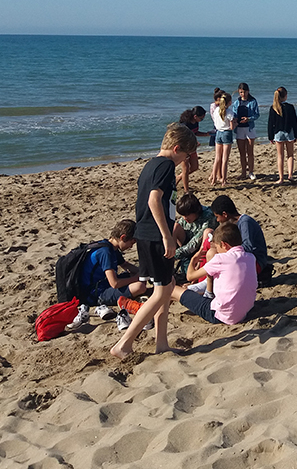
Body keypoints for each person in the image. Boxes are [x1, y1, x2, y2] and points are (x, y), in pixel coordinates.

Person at [110, 123, 198, 360]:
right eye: (185, 155)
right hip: (155, 236)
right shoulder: (165, 165)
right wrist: (167, 236)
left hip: (146, 234)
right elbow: (153, 200)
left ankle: (161, 343)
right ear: (176, 148)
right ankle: (124, 344)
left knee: (167, 287)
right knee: (160, 293)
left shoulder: (151, 164)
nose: (185, 160)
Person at [171, 221, 258, 325]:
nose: (217, 251)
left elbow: (190, 276)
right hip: (244, 312)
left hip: (221, 315)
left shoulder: (222, 259)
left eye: (217, 247)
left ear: (224, 245)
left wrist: (194, 259)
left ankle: (158, 315)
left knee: (172, 290)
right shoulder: (250, 257)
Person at [65, 219, 143, 332]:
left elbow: (125, 265)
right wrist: (135, 278)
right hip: (95, 294)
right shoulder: (106, 253)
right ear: (123, 237)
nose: (131, 246)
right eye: (132, 242)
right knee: (140, 286)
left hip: (102, 284)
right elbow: (115, 283)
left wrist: (144, 273)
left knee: (138, 279)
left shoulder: (108, 246)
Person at [210, 194, 273, 283]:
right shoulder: (235, 223)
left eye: (217, 217)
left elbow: (248, 247)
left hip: (255, 262)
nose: (217, 220)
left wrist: (228, 251)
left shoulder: (245, 223)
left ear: (224, 214)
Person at [173, 192, 218, 282]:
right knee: (175, 227)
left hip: (200, 251)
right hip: (185, 247)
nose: (184, 218)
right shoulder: (186, 218)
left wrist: (173, 255)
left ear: (195, 211)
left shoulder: (208, 217)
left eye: (187, 215)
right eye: (183, 215)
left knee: (207, 232)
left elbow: (194, 244)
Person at [267, 86, 297, 184]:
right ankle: (290, 175)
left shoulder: (274, 108)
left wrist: (270, 136)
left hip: (278, 133)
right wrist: (296, 134)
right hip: (289, 132)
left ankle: (281, 178)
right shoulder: (290, 107)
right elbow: (295, 122)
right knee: (290, 155)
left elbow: (270, 123)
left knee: (280, 156)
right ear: (285, 96)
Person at [178, 106, 209, 193]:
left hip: (192, 147)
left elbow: (195, 133)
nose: (201, 120)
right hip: (184, 148)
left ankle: (179, 177)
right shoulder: (185, 125)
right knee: (185, 168)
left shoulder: (195, 123)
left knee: (195, 167)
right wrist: (193, 143)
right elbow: (181, 138)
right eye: (201, 118)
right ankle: (186, 190)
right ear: (195, 116)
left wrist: (206, 134)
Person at [232, 83, 260, 180]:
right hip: (239, 128)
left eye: (244, 92)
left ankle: (251, 172)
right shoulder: (237, 102)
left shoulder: (253, 101)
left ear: (248, 91)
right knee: (242, 152)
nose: (243, 94)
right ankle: (243, 172)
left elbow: (257, 115)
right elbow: (234, 114)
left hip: (249, 128)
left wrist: (248, 118)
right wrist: (235, 120)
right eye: (241, 92)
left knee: (250, 151)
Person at [209, 89, 235, 187]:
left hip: (218, 132)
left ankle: (213, 179)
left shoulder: (216, 110)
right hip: (226, 133)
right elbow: (231, 127)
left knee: (217, 158)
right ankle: (223, 180)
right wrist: (236, 123)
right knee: (225, 159)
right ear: (229, 102)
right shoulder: (229, 112)